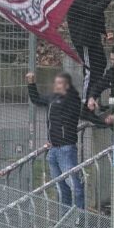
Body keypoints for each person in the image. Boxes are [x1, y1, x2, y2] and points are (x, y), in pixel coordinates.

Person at [27, 70, 85, 209]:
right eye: (56, 83)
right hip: (53, 148)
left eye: (60, 83)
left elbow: (70, 117)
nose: (56, 86)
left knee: (74, 185)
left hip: (66, 148)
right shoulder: (52, 98)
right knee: (61, 186)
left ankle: (81, 218)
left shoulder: (72, 100)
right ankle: (65, 218)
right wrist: (31, 84)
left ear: (67, 85)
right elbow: (37, 100)